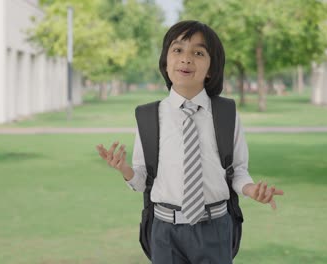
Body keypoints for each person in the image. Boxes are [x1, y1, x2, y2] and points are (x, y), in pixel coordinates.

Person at [96, 20, 284, 264]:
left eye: (198, 52)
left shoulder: (226, 113)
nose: (186, 58)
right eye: (178, 50)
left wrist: (252, 190)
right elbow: (142, 180)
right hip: (165, 231)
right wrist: (124, 170)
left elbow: (237, 172)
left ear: (211, 68)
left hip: (215, 228)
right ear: (165, 61)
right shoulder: (148, 116)